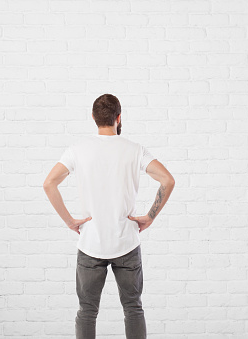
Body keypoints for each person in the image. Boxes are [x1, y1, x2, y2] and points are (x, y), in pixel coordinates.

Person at [43, 93, 175, 339]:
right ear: (119, 117)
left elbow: (49, 183)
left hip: (91, 244)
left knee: (87, 311)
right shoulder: (135, 150)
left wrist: (70, 221)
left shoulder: (77, 150)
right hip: (127, 243)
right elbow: (167, 180)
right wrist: (150, 216)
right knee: (133, 309)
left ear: (93, 117)